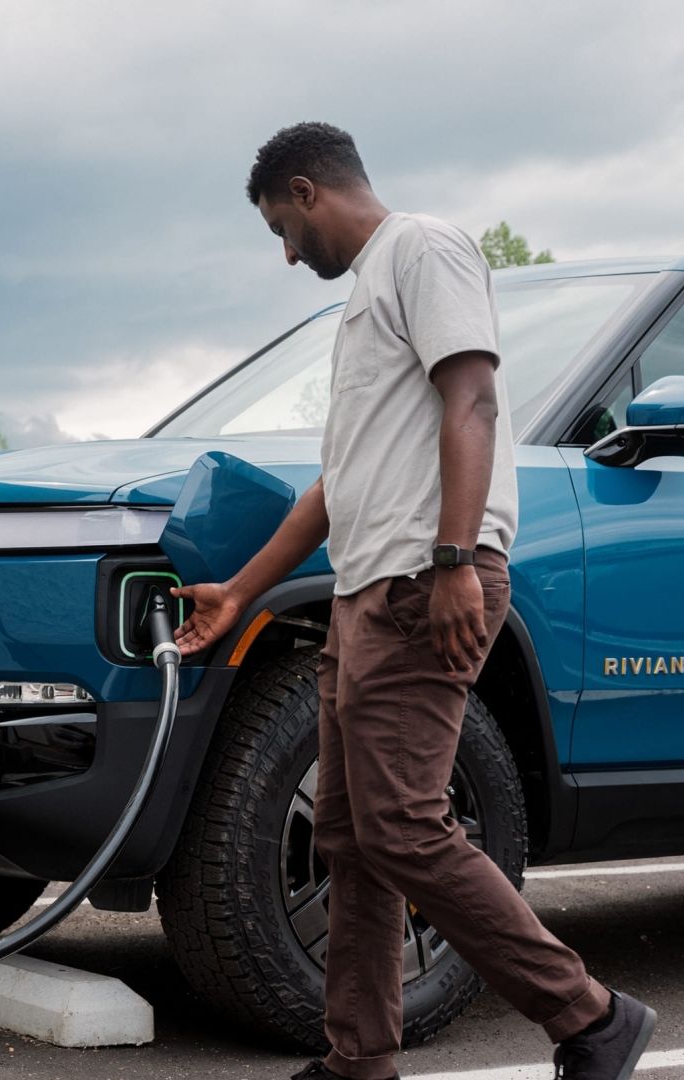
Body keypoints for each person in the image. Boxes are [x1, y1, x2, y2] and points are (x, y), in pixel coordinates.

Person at [171, 122, 656, 1080]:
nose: (284, 250)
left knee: (402, 825)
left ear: (308, 191)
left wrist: (455, 560)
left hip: (418, 585)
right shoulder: (363, 307)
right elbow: (334, 487)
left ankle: (590, 1017)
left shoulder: (424, 249)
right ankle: (359, 1058)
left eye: (280, 226)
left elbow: (471, 399)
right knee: (352, 839)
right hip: (366, 597)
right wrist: (240, 591)